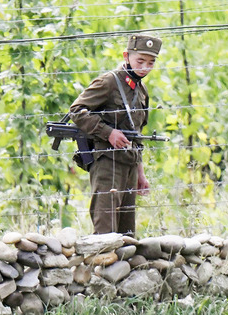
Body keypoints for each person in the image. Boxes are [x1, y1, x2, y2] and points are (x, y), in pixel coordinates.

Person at [69, 34, 162, 236]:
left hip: (129, 164)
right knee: (105, 231)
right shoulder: (109, 82)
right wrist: (108, 132)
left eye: (151, 63)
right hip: (107, 163)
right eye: (140, 61)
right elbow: (76, 110)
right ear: (126, 56)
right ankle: (100, 266)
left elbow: (136, 134)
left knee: (127, 233)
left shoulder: (141, 90)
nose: (145, 67)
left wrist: (140, 172)